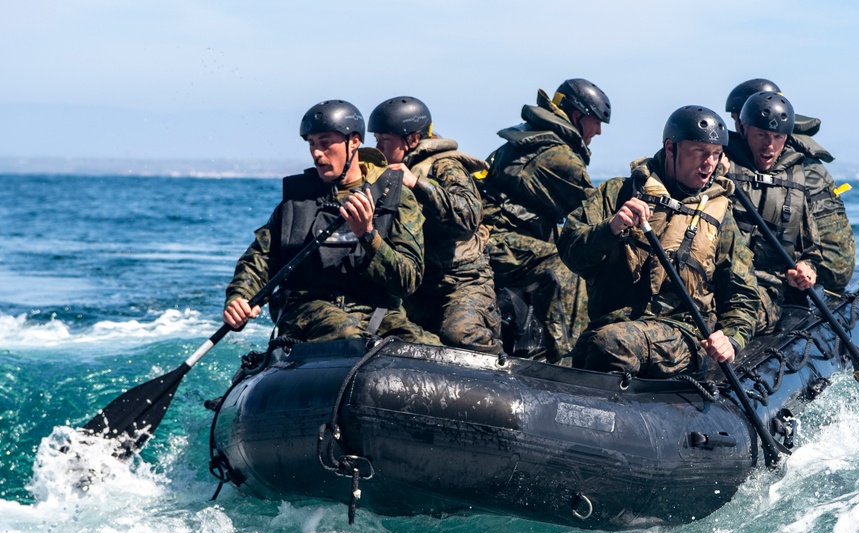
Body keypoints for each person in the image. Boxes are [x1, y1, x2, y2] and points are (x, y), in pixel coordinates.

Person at [557, 106, 759, 379]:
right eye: (699, 151)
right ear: (671, 148)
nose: (709, 163)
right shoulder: (618, 193)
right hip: (610, 326)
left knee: (613, 344)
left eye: (715, 154)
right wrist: (610, 228)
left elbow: (743, 295)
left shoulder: (719, 215)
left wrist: (732, 339)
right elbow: (570, 251)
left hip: (683, 332)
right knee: (572, 359)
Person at [223, 99, 430, 343]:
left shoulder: (396, 196)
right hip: (307, 311)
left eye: (325, 143)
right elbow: (260, 258)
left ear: (354, 141)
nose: (316, 153)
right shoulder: (297, 200)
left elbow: (408, 280)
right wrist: (239, 296)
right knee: (349, 336)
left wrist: (368, 236)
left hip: (377, 312)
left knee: (431, 351)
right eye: (311, 144)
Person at [477, 78, 611, 364]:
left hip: (493, 237)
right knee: (566, 265)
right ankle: (566, 360)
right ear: (577, 117)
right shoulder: (559, 157)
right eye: (596, 122)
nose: (598, 131)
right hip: (496, 243)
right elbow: (596, 210)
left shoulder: (532, 138)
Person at [369, 96, 502, 353]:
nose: (377, 147)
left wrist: (417, 184)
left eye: (384, 140)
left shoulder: (445, 166)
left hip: (463, 280)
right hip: (417, 283)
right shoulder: (385, 172)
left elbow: (468, 217)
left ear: (413, 140)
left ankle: (500, 373)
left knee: (461, 336)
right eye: (376, 139)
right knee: (376, 330)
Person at [725, 78, 855, 292]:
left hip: (819, 271)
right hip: (828, 265)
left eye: (736, 118)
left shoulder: (792, 164)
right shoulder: (793, 153)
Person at [725, 91, 831, 334]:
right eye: (761, 134)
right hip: (719, 282)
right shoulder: (718, 165)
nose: (769, 145)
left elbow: (810, 251)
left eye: (777, 136)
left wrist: (806, 270)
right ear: (744, 130)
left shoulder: (794, 179)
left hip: (766, 289)